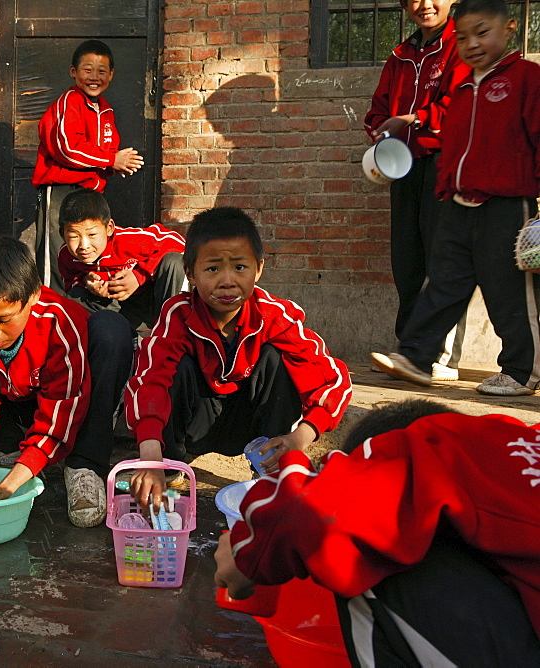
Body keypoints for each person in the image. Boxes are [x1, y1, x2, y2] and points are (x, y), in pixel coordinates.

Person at [214, 398, 540, 665]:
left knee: (371, 554)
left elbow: (316, 511)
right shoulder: (513, 445)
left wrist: (246, 554)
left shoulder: (434, 444)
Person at [123, 207, 352, 510]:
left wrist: (299, 438)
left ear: (259, 268)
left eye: (240, 267)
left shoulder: (273, 315)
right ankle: (170, 466)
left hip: (252, 424)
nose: (227, 281)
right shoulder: (178, 315)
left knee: (276, 358)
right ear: (189, 272)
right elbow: (148, 382)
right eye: (213, 269)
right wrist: (149, 455)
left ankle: (270, 469)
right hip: (196, 424)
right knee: (175, 368)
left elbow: (333, 378)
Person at [371, 0, 540, 396]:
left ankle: (522, 372)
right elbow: (452, 147)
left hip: (506, 204)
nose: (472, 44)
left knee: (508, 290)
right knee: (442, 283)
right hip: (458, 204)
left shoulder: (526, 79)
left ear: (509, 29)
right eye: (463, 37)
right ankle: (414, 357)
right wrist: (447, 191)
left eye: (483, 33)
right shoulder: (463, 89)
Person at [0, 235, 134, 527]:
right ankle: (7, 449)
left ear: (33, 296)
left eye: (4, 319)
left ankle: (83, 464)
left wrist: (10, 485)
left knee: (111, 331)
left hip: (72, 403)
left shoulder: (58, 325)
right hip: (17, 401)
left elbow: (60, 410)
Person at [364, 0, 468, 382]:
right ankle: (409, 350)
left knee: (441, 259)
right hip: (404, 167)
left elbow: (461, 102)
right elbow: (377, 109)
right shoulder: (401, 54)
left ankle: (441, 356)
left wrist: (413, 119)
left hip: (445, 163)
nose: (424, 5)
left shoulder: (461, 43)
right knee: (406, 261)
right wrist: (380, 130)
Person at [32, 39, 144, 294]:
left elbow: (103, 152)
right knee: (56, 256)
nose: (94, 77)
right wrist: (111, 160)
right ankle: (51, 310)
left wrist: (114, 164)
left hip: (90, 192)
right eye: (87, 69)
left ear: (111, 75)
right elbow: (66, 148)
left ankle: (78, 315)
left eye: (102, 71)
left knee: (86, 257)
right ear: (73, 71)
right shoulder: (69, 101)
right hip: (62, 189)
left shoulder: (105, 110)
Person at [57, 188, 186, 330]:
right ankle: (118, 337)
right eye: (74, 236)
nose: (84, 245)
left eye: (92, 234)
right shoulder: (66, 255)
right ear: (63, 234)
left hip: (152, 301)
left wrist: (139, 276)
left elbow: (178, 242)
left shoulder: (129, 241)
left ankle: (171, 330)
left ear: (109, 228)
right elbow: (71, 282)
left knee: (174, 262)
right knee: (75, 298)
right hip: (115, 309)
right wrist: (86, 283)